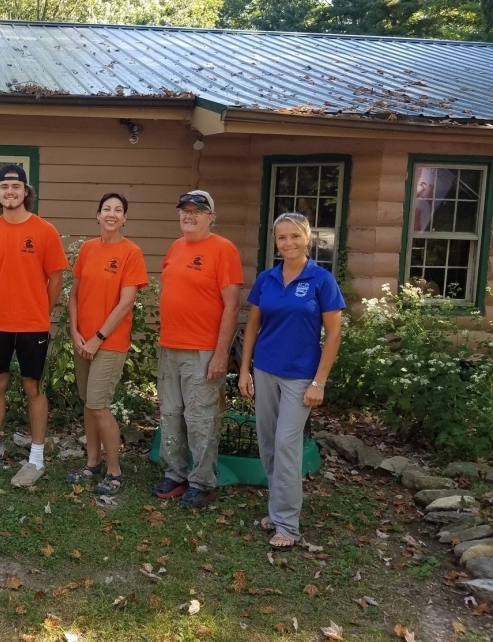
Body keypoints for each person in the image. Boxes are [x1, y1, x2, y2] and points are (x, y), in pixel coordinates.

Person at [238, 212, 344, 550]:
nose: (288, 243)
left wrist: (319, 382)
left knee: (286, 444)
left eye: (295, 236)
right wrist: (244, 370)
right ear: (276, 242)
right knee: (268, 443)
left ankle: (287, 525)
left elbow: (335, 332)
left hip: (301, 376)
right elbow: (252, 327)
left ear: (307, 238)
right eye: (282, 237)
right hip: (265, 369)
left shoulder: (321, 280)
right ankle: (277, 510)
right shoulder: (267, 279)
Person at [0, 164, 69, 488]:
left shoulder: (44, 231)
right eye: (4, 187)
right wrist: (0, 304)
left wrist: (38, 311)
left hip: (32, 324)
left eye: (16, 187)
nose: (10, 192)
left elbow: (57, 279)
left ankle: (35, 459)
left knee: (33, 388)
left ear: (25, 192)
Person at [152, 190, 243, 509]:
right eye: (184, 210)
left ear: (211, 218)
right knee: (171, 413)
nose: (188, 215)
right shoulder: (176, 247)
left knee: (201, 417)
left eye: (197, 211)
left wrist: (221, 354)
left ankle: (202, 482)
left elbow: (232, 306)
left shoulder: (223, 250)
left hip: (203, 351)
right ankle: (175, 474)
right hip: (170, 347)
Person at [66, 193, 148, 496]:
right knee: (89, 405)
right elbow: (74, 294)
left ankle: (114, 472)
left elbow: (126, 302)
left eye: (118, 210)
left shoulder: (131, 253)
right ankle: (92, 464)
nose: (111, 214)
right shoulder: (87, 249)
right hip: (82, 341)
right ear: (97, 215)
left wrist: (98, 338)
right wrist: (75, 331)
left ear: (125, 218)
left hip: (109, 343)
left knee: (99, 405)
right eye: (106, 209)